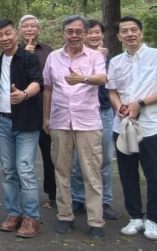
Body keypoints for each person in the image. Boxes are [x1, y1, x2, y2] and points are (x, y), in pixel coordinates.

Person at [108, 16, 157, 241]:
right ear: (118, 36)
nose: (129, 34)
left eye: (133, 30)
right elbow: (112, 91)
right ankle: (135, 217)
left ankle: (153, 218)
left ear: (141, 32)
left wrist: (141, 103)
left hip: (151, 127)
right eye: (124, 31)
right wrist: (120, 108)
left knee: (154, 173)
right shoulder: (116, 62)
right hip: (124, 127)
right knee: (128, 173)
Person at [42, 16, 108, 239]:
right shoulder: (53, 57)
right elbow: (47, 88)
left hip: (88, 122)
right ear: (63, 34)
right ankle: (65, 216)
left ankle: (96, 221)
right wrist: (46, 118)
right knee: (62, 170)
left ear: (86, 34)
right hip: (60, 121)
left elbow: (102, 78)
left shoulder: (95, 56)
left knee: (91, 172)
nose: (74, 35)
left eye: (79, 31)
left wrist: (83, 78)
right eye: (69, 31)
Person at [0, 19, 44, 238]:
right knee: (9, 170)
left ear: (16, 33)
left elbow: (38, 82)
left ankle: (31, 217)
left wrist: (24, 94)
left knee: (25, 169)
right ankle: (13, 213)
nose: (4, 38)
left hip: (26, 121)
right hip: (4, 122)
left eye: (8, 33)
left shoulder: (29, 58)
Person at [71, 19, 118, 221]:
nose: (93, 35)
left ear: (102, 35)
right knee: (77, 159)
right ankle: (78, 198)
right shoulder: (72, 57)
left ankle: (104, 201)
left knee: (104, 159)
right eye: (89, 32)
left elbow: (113, 85)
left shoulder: (109, 60)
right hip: (80, 112)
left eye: (97, 32)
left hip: (104, 112)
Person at [19, 14, 57, 210]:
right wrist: (24, 56)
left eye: (33, 26)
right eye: (25, 26)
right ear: (19, 31)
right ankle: (23, 195)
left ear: (39, 30)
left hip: (45, 111)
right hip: (23, 113)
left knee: (49, 156)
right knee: (24, 159)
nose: (29, 29)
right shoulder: (14, 51)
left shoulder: (49, 52)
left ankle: (53, 194)